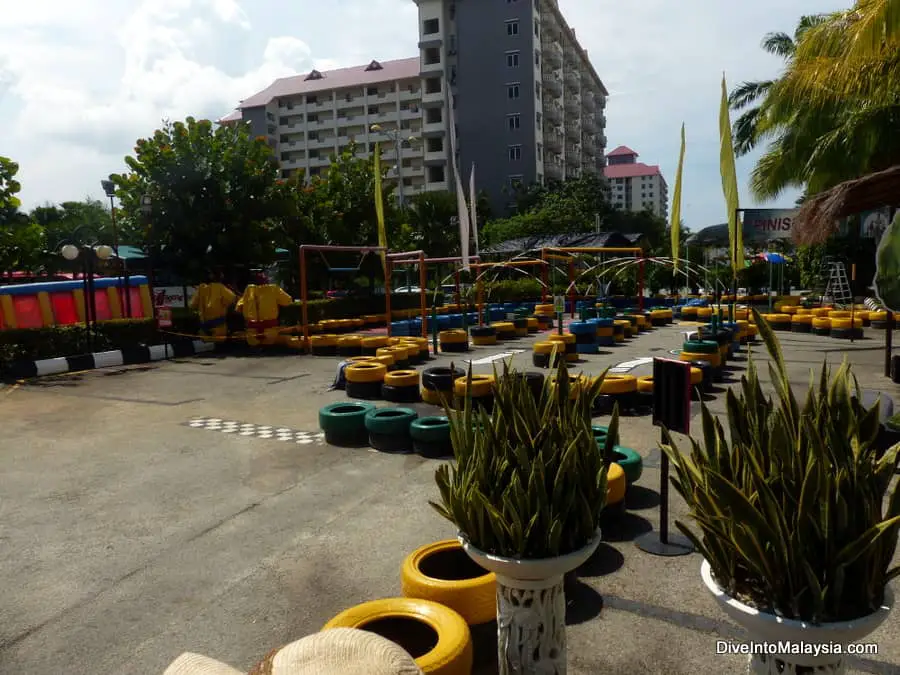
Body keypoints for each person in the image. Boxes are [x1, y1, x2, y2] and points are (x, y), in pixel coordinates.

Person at [190, 273, 236, 341]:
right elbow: (232, 299)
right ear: (221, 278)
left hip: (204, 326)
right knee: (219, 344)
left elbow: (192, 304)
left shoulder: (201, 288)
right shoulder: (221, 287)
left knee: (208, 342)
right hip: (218, 326)